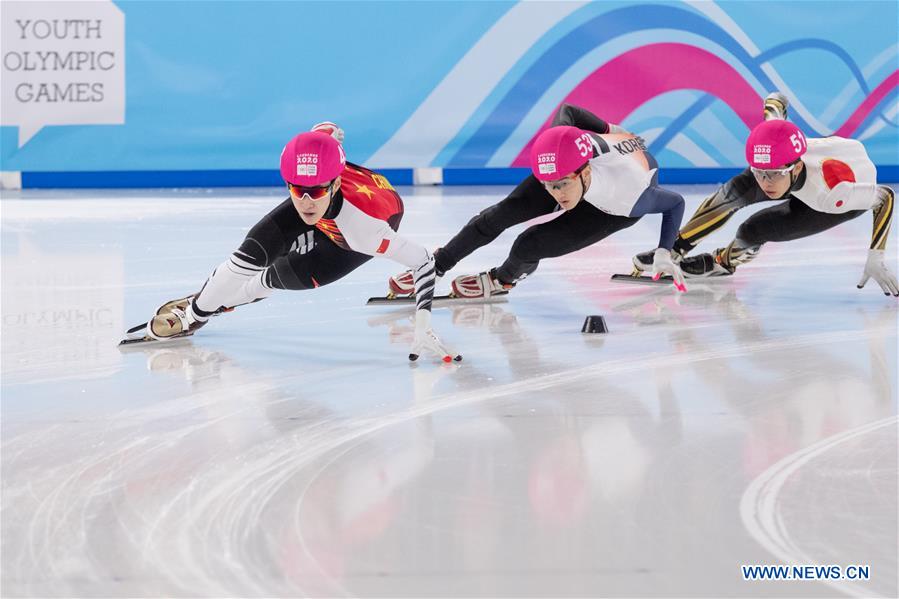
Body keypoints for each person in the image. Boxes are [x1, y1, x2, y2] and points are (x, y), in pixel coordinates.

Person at [125, 122, 461, 362]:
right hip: (338, 208)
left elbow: (423, 261)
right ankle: (197, 312)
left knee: (275, 278)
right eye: (296, 190)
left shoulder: (367, 232)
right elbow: (327, 134)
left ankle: (224, 301)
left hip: (351, 236)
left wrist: (423, 323)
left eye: (315, 191)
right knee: (251, 255)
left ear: (333, 183)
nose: (306, 201)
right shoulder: (312, 172)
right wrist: (196, 313)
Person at [387, 104, 687, 298]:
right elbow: (569, 111)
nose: (556, 195)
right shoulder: (563, 162)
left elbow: (675, 204)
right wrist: (608, 130)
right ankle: (437, 265)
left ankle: (502, 280)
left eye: (560, 186)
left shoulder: (630, 196)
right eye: (548, 186)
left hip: (612, 206)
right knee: (498, 216)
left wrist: (664, 252)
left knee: (528, 244)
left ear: (584, 170)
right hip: (586, 170)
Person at [630, 93, 898, 296]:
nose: (765, 182)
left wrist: (876, 256)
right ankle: (677, 249)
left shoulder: (832, 192)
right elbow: (776, 104)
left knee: (753, 229)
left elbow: (885, 196)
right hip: (799, 172)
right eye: (759, 172)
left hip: (833, 200)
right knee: (732, 193)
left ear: (796, 168)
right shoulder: (774, 142)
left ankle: (722, 262)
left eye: (773, 174)